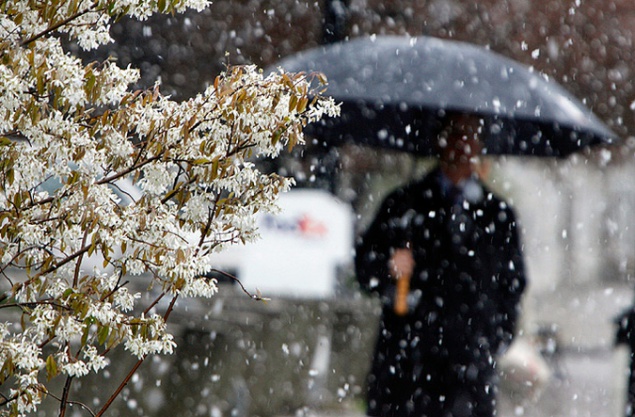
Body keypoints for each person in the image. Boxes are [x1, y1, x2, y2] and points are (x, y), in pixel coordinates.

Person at [355, 113, 527, 417]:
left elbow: (512, 284)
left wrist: (494, 336)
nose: (461, 143)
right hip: (406, 362)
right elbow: (364, 269)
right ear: (439, 140)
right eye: (454, 133)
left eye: (469, 134)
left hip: (469, 365)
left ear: (479, 144)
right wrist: (388, 266)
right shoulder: (403, 205)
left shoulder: (498, 215)